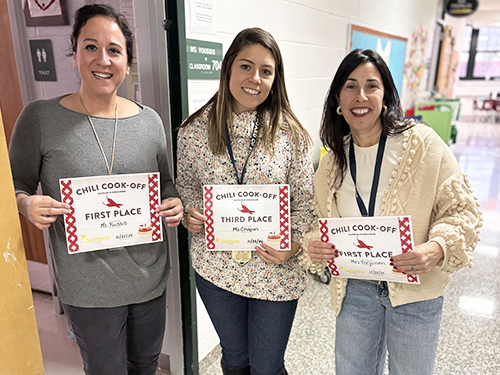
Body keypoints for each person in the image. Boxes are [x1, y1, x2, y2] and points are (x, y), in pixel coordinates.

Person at [9, 4, 183, 375]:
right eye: (91, 46)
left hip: (149, 278)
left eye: (114, 50)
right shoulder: (40, 119)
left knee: (146, 366)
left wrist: (173, 202)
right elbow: (13, 185)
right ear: (73, 53)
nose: (102, 59)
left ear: (127, 60)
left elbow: (166, 183)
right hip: (88, 286)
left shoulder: (150, 121)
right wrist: (25, 205)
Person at [301, 49, 482, 375]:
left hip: (415, 289)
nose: (361, 96)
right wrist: (315, 242)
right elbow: (316, 219)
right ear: (338, 101)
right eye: (350, 86)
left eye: (371, 85)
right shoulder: (331, 162)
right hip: (355, 288)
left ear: (385, 95)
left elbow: (463, 210)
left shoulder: (423, 144)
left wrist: (436, 248)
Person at [176, 28, 314, 375]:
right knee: (236, 359)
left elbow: (305, 204)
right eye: (246, 66)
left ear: (275, 78)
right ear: (228, 69)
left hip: (276, 269)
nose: (255, 79)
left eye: (266, 71)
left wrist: (294, 245)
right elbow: (187, 187)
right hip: (217, 268)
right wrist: (190, 215)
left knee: (267, 366)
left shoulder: (290, 136)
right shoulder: (193, 132)